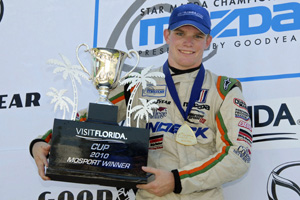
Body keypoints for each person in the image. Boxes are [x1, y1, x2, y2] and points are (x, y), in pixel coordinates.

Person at [30, 4, 252, 200]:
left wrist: (177, 180)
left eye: (197, 36)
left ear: (208, 41)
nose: (188, 42)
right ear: (167, 35)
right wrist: (44, 141)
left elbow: (238, 155)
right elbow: (95, 119)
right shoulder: (139, 83)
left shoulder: (224, 90)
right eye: (180, 32)